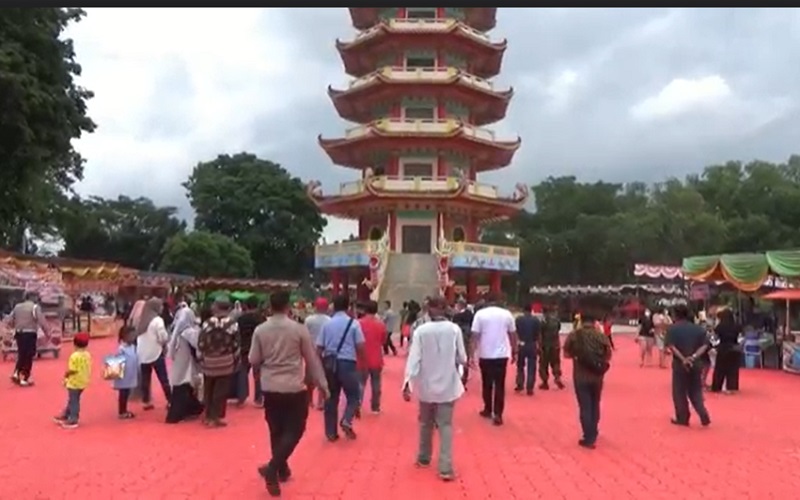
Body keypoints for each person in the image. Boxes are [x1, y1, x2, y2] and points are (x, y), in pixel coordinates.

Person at [250, 290, 329, 497]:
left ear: (270, 305)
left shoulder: (261, 330)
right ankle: (274, 468)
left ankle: (280, 469)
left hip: (270, 386)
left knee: (275, 429)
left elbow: (253, 359)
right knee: (296, 429)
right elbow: (311, 360)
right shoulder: (298, 330)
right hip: (293, 386)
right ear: (288, 306)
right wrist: (322, 384)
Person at [403, 296, 467, 482]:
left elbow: (414, 359)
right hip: (448, 385)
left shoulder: (421, 331)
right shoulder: (454, 330)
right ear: (445, 308)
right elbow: (462, 357)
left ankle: (423, 457)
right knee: (445, 425)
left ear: (429, 309)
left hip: (426, 386)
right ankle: (445, 467)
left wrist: (408, 382)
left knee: (425, 423)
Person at [316, 294, 365, 441]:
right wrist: (362, 363)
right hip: (348, 363)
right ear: (348, 306)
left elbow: (319, 348)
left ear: (333, 306)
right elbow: (360, 346)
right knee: (353, 395)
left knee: (331, 398)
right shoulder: (354, 324)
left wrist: (319, 365)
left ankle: (330, 432)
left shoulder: (327, 324)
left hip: (330, 362)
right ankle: (347, 419)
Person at [563, 313, 612, 449]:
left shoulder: (574, 335)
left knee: (584, 406)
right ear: (594, 321)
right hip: (597, 376)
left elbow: (566, 353)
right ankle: (594, 430)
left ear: (581, 321)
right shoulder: (601, 336)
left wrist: (578, 356)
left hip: (580, 375)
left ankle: (588, 436)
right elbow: (608, 355)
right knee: (595, 403)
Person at [470, 294, 517, 426]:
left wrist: (471, 354)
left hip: (485, 354)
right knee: (500, 385)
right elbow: (512, 334)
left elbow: (474, 336)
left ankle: (487, 408)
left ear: (486, 302)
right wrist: (515, 350)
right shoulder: (507, 314)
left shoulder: (480, 314)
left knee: (487, 383)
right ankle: (498, 414)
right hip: (502, 355)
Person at [664, 304, 711, 427]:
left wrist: (683, 359)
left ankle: (683, 417)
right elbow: (705, 345)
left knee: (679, 392)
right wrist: (694, 356)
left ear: (675, 315)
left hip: (680, 365)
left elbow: (671, 346)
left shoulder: (672, 329)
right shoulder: (699, 329)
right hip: (696, 363)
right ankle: (702, 412)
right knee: (695, 390)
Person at [197, 297, 240, 428]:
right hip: (226, 362)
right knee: (220, 391)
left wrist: (202, 357)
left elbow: (201, 343)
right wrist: (235, 359)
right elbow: (236, 344)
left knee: (208, 389)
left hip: (208, 362)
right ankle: (215, 417)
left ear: (216, 307)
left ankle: (208, 415)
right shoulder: (232, 324)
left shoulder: (207, 323)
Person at [165, 301, 204, 424]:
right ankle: (177, 415)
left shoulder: (176, 330)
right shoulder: (188, 331)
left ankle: (193, 409)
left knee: (184, 386)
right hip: (186, 363)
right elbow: (198, 343)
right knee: (183, 386)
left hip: (180, 362)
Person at [5, 292, 49, 386]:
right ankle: (25, 377)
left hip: (19, 333)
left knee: (22, 354)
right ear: (34, 298)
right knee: (29, 355)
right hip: (30, 333)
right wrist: (47, 333)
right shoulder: (35, 307)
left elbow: (9, 320)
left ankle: (16, 373)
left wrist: (14, 326)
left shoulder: (17, 307)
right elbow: (42, 321)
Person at [136, 297, 172, 410]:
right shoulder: (157, 320)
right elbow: (163, 336)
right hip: (156, 351)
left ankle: (146, 401)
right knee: (163, 378)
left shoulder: (141, 319)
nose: (162, 308)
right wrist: (165, 343)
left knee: (146, 378)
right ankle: (170, 400)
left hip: (142, 352)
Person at [54, 332, 92, 429]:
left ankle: (73, 418)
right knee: (73, 399)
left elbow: (72, 370)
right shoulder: (87, 355)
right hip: (83, 380)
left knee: (74, 400)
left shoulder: (74, 356)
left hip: (74, 382)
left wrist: (66, 375)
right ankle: (66, 413)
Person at [357, 300, 387, 414]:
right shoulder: (381, 324)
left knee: (360, 383)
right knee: (376, 383)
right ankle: (375, 406)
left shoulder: (358, 323)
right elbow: (383, 340)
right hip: (376, 358)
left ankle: (357, 404)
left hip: (361, 357)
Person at [235, 297, 263, 407]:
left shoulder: (241, 318)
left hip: (244, 347)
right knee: (258, 374)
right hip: (258, 348)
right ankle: (259, 398)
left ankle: (241, 397)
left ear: (246, 306)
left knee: (242, 373)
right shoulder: (260, 318)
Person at [304, 297, 331, 410]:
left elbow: (305, 334)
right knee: (323, 376)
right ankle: (321, 401)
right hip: (325, 351)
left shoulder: (309, 319)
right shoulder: (329, 320)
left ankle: (310, 400)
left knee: (309, 379)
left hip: (311, 351)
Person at [710, 308, 741, 394]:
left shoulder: (720, 326)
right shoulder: (737, 326)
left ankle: (717, 386)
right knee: (733, 369)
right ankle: (732, 386)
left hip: (723, 347)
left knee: (720, 369)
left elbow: (715, 337)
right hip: (734, 348)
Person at [514, 303, 541, 395]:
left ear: (523, 310)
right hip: (532, 344)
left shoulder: (518, 319)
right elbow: (538, 334)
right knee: (532, 366)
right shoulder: (536, 320)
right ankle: (530, 387)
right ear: (531, 310)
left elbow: (515, 332)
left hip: (522, 343)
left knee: (520, 365)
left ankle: (520, 383)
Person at [114, 326, 139, 419]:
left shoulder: (133, 347)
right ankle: (122, 411)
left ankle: (124, 410)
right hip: (123, 375)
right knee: (123, 393)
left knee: (127, 393)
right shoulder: (121, 348)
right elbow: (116, 362)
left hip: (130, 374)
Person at [539, 307, 565, 390]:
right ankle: (557, 377)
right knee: (556, 362)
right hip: (555, 344)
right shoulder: (556, 320)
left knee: (543, 364)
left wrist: (539, 345)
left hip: (545, 345)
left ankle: (545, 382)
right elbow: (558, 329)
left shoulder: (543, 320)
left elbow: (540, 333)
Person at [451, 299, 474, 388]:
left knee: (457, 358)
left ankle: (458, 378)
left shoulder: (456, 316)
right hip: (467, 337)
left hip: (459, 338)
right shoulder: (470, 314)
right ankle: (463, 379)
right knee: (465, 358)